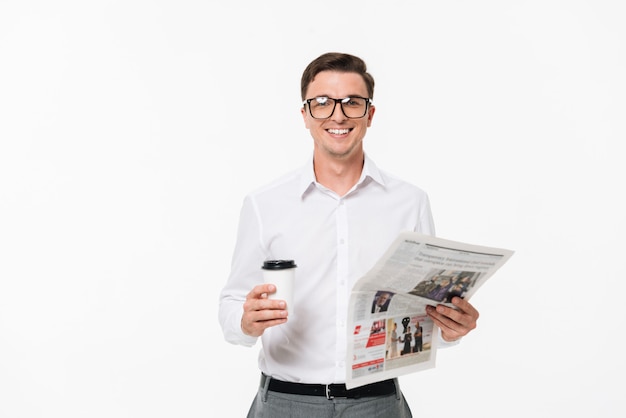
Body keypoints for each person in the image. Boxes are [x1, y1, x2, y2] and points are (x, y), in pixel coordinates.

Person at [218, 52, 480, 418]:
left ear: (370, 114)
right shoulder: (265, 204)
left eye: (352, 103)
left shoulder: (410, 202)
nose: (338, 115)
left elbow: (423, 318)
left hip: (378, 403)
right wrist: (245, 322)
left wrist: (451, 330)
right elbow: (231, 304)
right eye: (322, 103)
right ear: (305, 115)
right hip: (285, 403)